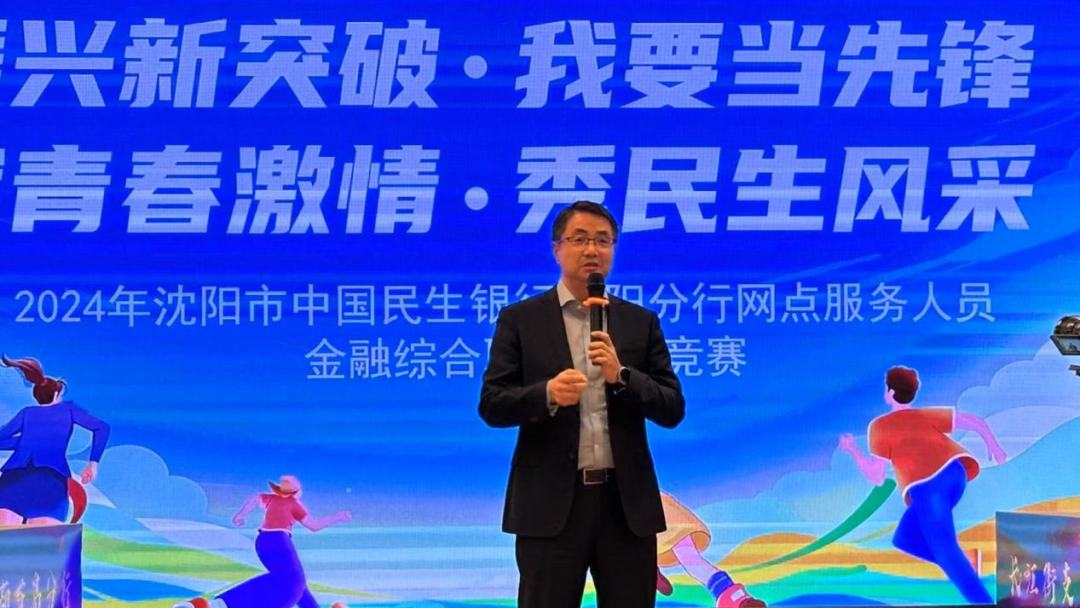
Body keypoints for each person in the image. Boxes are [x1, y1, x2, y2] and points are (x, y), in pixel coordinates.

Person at [479, 200, 685, 608]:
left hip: (625, 507)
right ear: (557, 249)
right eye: (580, 239)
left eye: (603, 241)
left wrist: (623, 376)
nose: (592, 250)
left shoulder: (639, 322)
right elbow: (492, 404)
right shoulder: (521, 320)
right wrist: (547, 395)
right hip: (550, 506)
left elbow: (671, 407)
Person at [838, 366, 1006, 605]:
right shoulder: (924, 415)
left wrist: (852, 450)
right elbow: (975, 422)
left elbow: (876, 477)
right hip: (955, 474)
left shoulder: (879, 426)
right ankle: (966, 561)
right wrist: (995, 447)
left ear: (890, 393)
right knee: (904, 537)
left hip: (927, 486)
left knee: (945, 550)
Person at [173, 475, 351, 608]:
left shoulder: (271, 498)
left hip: (263, 542)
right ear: (296, 492)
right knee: (293, 579)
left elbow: (254, 498)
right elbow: (314, 525)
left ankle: (212, 605)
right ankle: (216, 605)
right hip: (278, 539)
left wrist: (240, 515)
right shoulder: (293, 503)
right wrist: (337, 517)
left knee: (294, 580)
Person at [0, 355, 109, 526]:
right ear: (57, 394)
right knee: (44, 531)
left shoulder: (27, 413)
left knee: (6, 527)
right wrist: (93, 463)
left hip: (14, 478)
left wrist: (24, 443)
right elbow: (102, 428)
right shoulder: (68, 409)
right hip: (50, 479)